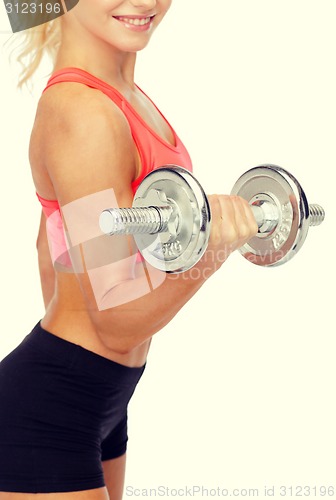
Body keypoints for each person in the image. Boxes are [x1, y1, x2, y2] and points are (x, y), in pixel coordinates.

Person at [0, 1, 258, 498]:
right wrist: (211, 253)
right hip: (50, 413)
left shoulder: (124, 97)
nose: (146, 2)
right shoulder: (82, 110)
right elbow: (114, 324)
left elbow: (47, 245)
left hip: (101, 396)